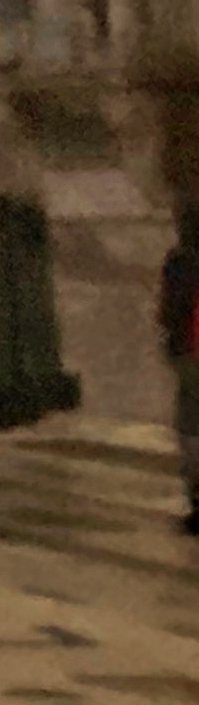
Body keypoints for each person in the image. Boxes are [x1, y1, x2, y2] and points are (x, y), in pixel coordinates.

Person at [157, 202, 199, 533]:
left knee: (191, 430)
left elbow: (169, 310)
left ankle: (198, 502)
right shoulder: (179, 262)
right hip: (189, 353)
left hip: (190, 354)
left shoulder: (179, 261)